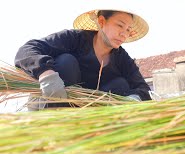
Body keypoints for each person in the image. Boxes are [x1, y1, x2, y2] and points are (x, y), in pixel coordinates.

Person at [14, 8, 152, 109]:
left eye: (128, 29)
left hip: (85, 115)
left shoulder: (122, 58)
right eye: (120, 25)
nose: (124, 34)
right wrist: (47, 75)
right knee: (67, 62)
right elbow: (27, 50)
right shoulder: (75, 39)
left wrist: (134, 99)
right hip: (51, 105)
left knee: (120, 84)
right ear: (102, 21)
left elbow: (143, 88)